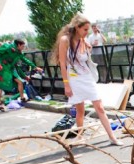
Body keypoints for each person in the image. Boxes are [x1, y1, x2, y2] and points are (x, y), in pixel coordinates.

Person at [51, 14, 121, 146]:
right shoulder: (65, 40)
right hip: (74, 79)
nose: (87, 32)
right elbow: (62, 64)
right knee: (80, 110)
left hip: (86, 77)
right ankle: (79, 135)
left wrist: (89, 48)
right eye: (85, 29)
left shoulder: (84, 41)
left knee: (100, 107)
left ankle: (112, 137)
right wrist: (66, 85)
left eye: (88, 30)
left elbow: (85, 60)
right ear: (77, 28)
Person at [0, 39, 42, 111]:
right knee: (0, 85)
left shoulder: (19, 53)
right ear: (18, 45)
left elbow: (25, 60)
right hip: (2, 69)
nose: (23, 47)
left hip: (10, 69)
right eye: (22, 46)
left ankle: (22, 98)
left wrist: (35, 67)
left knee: (20, 82)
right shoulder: (7, 47)